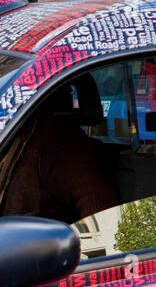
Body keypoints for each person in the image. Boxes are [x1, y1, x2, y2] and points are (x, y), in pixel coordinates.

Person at [0, 90, 117, 224]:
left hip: (40, 243)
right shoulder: (13, 133)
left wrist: (93, 241)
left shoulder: (56, 138)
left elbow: (98, 204)